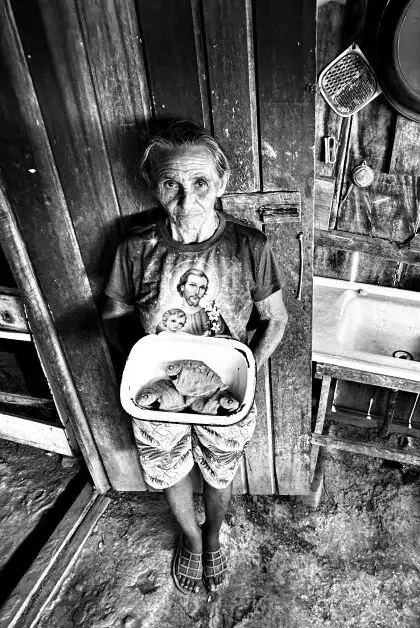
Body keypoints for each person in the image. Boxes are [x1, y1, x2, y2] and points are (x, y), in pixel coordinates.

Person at [103, 121, 288, 594]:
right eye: (171, 184)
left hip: (224, 387)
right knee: (169, 466)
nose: (187, 201)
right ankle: (189, 536)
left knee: (220, 468)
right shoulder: (136, 247)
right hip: (158, 386)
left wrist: (247, 372)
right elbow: (114, 315)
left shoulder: (249, 246)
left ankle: (212, 535)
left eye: (201, 183)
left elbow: (276, 319)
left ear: (222, 183)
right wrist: (141, 366)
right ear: (152, 185)